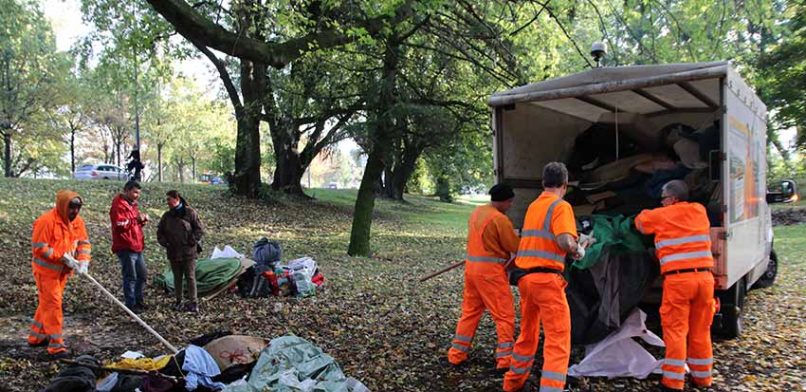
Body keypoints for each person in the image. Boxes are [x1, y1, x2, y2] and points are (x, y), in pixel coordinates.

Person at [503, 162, 585, 392]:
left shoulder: (533, 206)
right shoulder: (561, 206)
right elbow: (563, 241)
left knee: (528, 334)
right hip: (548, 281)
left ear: (543, 183)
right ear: (565, 185)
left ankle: (513, 382)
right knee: (558, 339)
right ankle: (552, 388)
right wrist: (577, 249)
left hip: (526, 280)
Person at [635, 180, 714, 391]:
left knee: (676, 331)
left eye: (662, 198)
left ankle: (673, 382)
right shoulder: (699, 211)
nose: (661, 202)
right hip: (705, 280)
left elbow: (641, 223)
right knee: (701, 331)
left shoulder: (663, 214)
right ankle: (703, 379)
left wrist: (645, 211)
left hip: (679, 280)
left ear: (672, 199)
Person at [447, 184, 521, 371]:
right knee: (504, 315)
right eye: (510, 202)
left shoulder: (477, 212)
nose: (511, 205)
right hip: (490, 274)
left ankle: (456, 355)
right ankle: (505, 361)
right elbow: (514, 246)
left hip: (472, 270)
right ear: (504, 201)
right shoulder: (500, 219)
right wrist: (520, 238)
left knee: (470, 312)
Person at [29, 190, 92, 359]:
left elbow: (84, 243)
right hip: (46, 272)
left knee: (48, 303)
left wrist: (83, 261)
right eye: (72, 208)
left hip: (63, 273)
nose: (75, 212)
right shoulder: (46, 221)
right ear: (63, 206)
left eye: (78, 208)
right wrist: (62, 257)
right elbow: (39, 248)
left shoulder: (78, 222)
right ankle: (56, 346)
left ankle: (36, 336)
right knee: (53, 304)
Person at [157, 190, 204, 313]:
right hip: (173, 252)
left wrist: (192, 241)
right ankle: (179, 301)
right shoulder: (166, 216)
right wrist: (165, 243)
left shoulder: (190, 212)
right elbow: (160, 232)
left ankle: (193, 302)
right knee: (177, 278)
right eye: (166, 199)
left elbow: (199, 229)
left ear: (176, 198)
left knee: (190, 276)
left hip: (189, 252)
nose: (167, 202)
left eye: (169, 199)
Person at [110, 180, 149, 313]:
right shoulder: (118, 205)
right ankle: (130, 305)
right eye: (134, 192)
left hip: (137, 245)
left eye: (138, 193)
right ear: (126, 190)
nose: (137, 195)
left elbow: (133, 225)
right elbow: (119, 225)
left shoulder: (133, 205)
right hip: (125, 246)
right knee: (130, 276)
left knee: (142, 275)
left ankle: (139, 300)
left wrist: (141, 221)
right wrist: (135, 220)